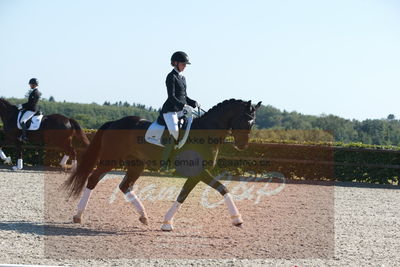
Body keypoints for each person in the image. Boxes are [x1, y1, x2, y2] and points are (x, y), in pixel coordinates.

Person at [160, 51, 198, 170]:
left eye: (185, 64)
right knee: (175, 132)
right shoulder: (171, 76)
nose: (185, 66)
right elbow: (172, 97)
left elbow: (184, 96)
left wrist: (193, 102)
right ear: (175, 63)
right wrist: (183, 105)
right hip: (170, 110)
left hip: (180, 110)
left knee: (190, 128)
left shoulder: (182, 78)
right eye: (183, 63)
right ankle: (164, 163)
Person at [18, 78, 41, 143]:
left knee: (22, 121)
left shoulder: (36, 92)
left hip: (32, 110)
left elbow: (31, 103)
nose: (30, 85)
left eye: (30, 84)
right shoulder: (33, 91)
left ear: (34, 84)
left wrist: (22, 106)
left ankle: (24, 137)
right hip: (29, 108)